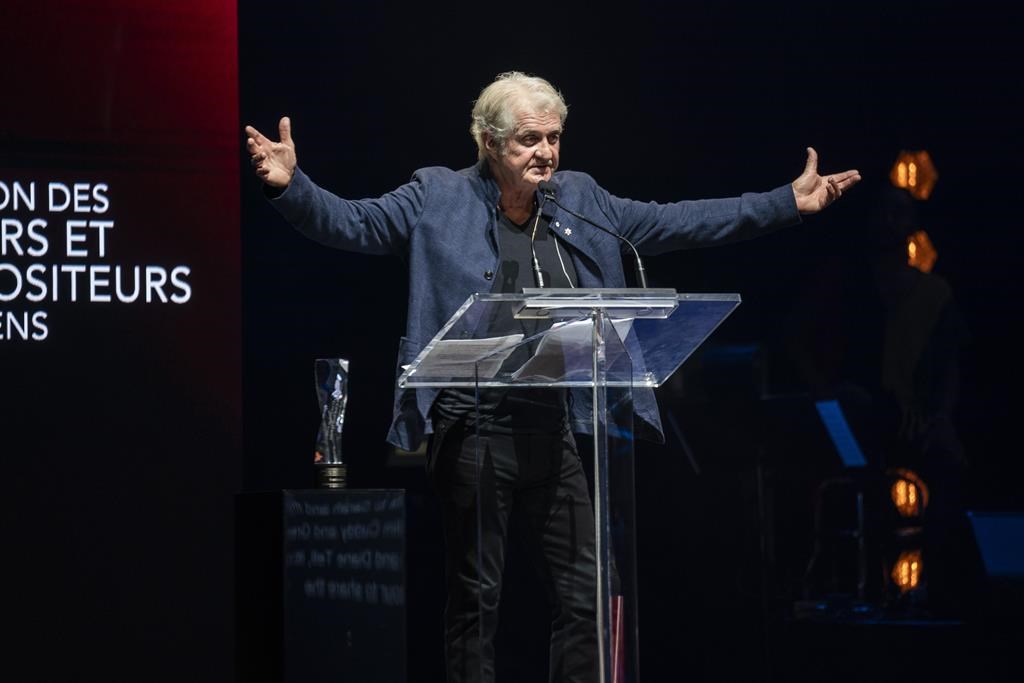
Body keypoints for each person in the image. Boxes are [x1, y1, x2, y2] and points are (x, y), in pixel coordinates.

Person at [245, 71, 860, 683]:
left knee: (590, 596)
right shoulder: (437, 195)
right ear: (489, 142)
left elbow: (679, 221)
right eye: (529, 140)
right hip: (472, 426)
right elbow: (355, 223)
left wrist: (786, 203)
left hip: (553, 426)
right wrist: (292, 187)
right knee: (476, 601)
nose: (546, 153)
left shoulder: (581, 201)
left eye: (554, 138)